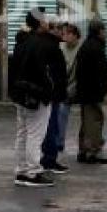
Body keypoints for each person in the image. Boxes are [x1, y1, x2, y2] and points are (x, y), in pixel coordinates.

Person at [9, 8, 55, 188]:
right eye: (44, 19)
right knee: (35, 135)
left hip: (21, 95)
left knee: (22, 134)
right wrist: (47, 90)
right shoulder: (39, 44)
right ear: (40, 22)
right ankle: (33, 172)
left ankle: (21, 170)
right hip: (35, 96)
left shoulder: (21, 42)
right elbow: (42, 72)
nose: (47, 22)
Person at [74, 19, 107, 164]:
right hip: (92, 92)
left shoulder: (86, 45)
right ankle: (93, 152)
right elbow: (100, 72)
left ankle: (83, 150)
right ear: (99, 31)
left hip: (85, 91)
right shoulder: (95, 47)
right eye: (105, 30)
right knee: (94, 120)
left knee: (86, 121)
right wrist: (102, 88)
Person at [41, 20, 70, 174]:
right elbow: (54, 74)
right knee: (52, 127)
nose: (63, 33)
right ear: (53, 30)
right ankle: (49, 160)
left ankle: (48, 158)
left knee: (51, 127)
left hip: (53, 94)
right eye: (60, 29)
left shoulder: (51, 46)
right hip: (54, 95)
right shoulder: (51, 48)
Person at [56, 24, 82, 158]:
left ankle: (84, 144)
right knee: (61, 113)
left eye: (68, 33)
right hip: (63, 86)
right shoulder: (60, 47)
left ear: (76, 35)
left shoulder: (81, 48)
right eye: (64, 34)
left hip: (77, 85)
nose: (65, 36)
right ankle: (59, 142)